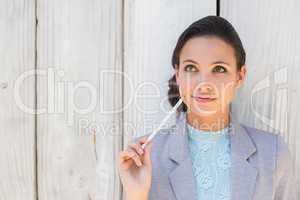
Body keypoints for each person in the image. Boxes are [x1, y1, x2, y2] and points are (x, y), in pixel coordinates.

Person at [117, 15, 296, 200]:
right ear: (178, 75)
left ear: (240, 76)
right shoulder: (144, 158)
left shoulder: (273, 153)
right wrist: (136, 195)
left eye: (219, 69)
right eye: (191, 68)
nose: (204, 84)